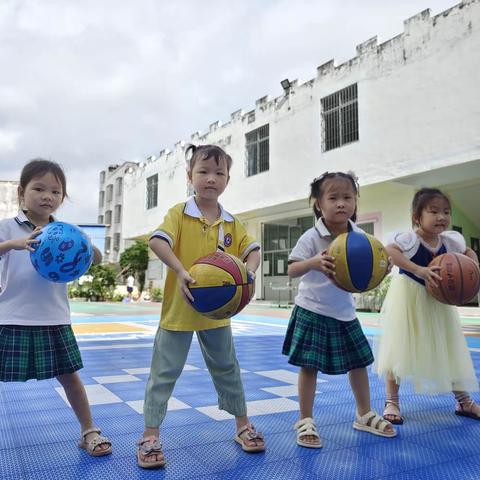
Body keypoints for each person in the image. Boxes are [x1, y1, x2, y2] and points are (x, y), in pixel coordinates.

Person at [136, 144, 265, 469]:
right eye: (203, 172)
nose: (211, 179)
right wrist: (180, 271)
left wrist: (248, 274)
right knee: (163, 374)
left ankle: (242, 426)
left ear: (228, 179)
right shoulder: (179, 213)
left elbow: (253, 251)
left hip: (218, 315)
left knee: (228, 370)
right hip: (179, 312)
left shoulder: (232, 223)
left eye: (219, 173)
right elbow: (157, 240)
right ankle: (150, 436)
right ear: (189, 176)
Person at [0, 158, 112, 457]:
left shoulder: (64, 231)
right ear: (22, 192)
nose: (47, 196)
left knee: (70, 377)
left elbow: (97, 259)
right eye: (39, 188)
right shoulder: (8, 228)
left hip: (53, 317)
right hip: (11, 316)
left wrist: (86, 243)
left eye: (55, 191)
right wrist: (14, 244)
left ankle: (89, 431)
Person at [282, 171, 396, 449]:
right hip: (313, 310)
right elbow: (292, 269)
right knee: (309, 367)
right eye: (333, 198)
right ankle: (305, 419)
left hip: (345, 312)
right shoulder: (311, 236)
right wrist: (313, 263)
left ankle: (364, 413)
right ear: (319, 204)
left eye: (348, 197)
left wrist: (382, 269)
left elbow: (376, 264)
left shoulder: (361, 238)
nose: (341, 203)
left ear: (356, 203)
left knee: (359, 363)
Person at [374, 187, 480, 424]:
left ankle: (463, 400)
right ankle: (392, 401)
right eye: (434, 211)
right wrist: (418, 269)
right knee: (398, 349)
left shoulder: (451, 241)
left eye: (446, 212)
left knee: (450, 347)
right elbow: (391, 251)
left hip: (439, 303)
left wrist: (473, 265)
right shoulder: (409, 239)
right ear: (416, 217)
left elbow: (469, 251)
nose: (441, 217)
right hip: (409, 299)